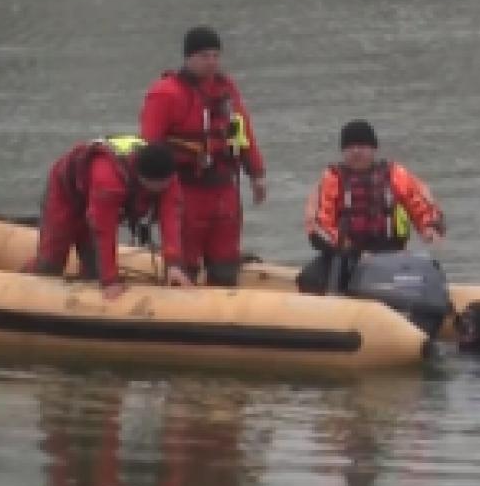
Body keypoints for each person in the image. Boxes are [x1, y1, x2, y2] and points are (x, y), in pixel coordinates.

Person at [139, 25, 268, 287]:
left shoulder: (226, 89)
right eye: (204, 56)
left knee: (225, 265)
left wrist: (257, 174)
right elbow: (150, 148)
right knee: (185, 266)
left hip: (224, 190)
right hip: (186, 190)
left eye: (215, 55)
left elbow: (243, 131)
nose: (211, 62)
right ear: (188, 58)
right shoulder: (165, 93)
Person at [25, 136, 192, 300]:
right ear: (143, 179)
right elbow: (103, 230)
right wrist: (110, 281)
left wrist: (174, 264)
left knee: (93, 271)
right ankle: (26, 279)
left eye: (166, 185)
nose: (163, 189)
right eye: (158, 187)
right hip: (66, 195)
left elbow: (171, 220)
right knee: (51, 265)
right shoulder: (108, 180)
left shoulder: (168, 179)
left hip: (96, 196)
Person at [296, 119, 446, 295]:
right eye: (350, 147)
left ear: (373, 149)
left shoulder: (395, 174)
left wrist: (429, 227)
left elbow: (421, 203)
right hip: (347, 256)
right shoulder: (332, 179)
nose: (356, 151)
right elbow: (318, 224)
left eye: (362, 146)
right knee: (309, 279)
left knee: (430, 271)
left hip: (391, 254)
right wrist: (353, 251)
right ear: (343, 151)